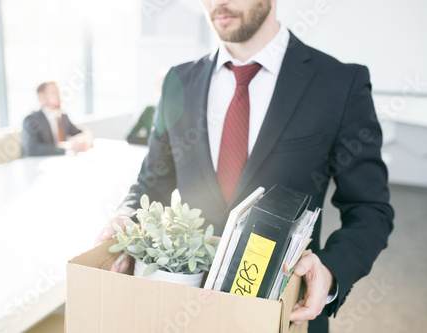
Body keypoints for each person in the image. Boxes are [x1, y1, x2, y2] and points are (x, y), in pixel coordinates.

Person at [96, 0, 394, 332]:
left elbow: (370, 208)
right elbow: (153, 182)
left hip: (279, 311)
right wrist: (127, 213)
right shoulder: (178, 80)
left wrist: (330, 270)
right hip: (183, 308)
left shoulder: (339, 84)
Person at [22, 81, 92, 156]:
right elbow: (32, 149)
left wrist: (83, 140)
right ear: (41, 97)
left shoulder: (62, 115)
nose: (59, 96)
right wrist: (67, 149)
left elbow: (80, 132)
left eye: (59, 93)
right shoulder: (31, 120)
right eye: (54, 93)